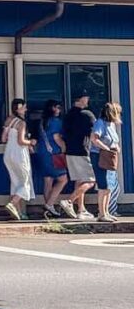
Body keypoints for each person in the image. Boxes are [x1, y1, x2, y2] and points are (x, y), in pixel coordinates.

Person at [60, 91, 97, 221]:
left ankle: (81, 210)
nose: (87, 100)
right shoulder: (87, 115)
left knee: (79, 181)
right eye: (86, 97)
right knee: (90, 181)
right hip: (82, 150)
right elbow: (95, 132)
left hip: (70, 151)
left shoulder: (68, 115)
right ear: (81, 99)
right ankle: (69, 201)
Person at [1, 99, 36, 221]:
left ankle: (18, 213)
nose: (26, 109)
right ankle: (12, 203)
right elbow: (21, 141)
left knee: (15, 182)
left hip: (8, 153)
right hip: (19, 153)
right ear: (19, 108)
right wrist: (31, 142)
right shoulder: (21, 123)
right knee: (25, 182)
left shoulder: (9, 120)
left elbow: (3, 139)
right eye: (24, 107)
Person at [34, 100, 69, 219]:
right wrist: (64, 147)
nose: (59, 110)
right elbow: (56, 137)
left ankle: (49, 209)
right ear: (53, 108)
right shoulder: (56, 122)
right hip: (53, 153)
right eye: (57, 108)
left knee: (47, 180)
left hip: (42, 153)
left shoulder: (43, 121)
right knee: (63, 179)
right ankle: (49, 204)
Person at [90, 102, 121, 222]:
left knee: (109, 186)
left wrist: (116, 147)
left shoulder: (111, 125)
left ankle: (107, 212)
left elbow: (114, 140)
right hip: (99, 155)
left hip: (110, 157)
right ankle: (101, 213)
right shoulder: (100, 123)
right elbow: (94, 138)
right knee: (103, 185)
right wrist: (105, 147)